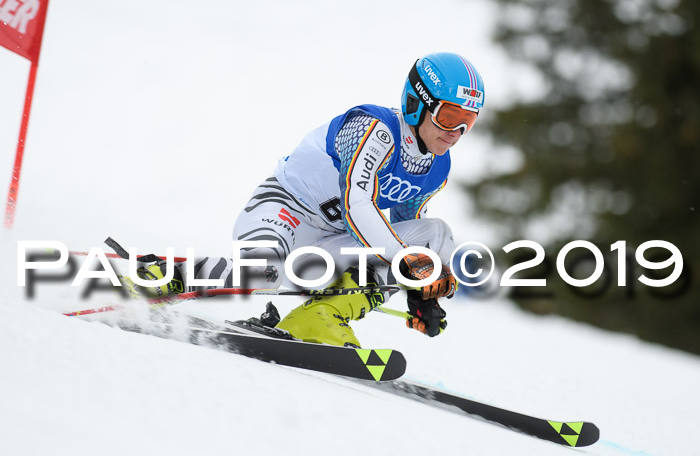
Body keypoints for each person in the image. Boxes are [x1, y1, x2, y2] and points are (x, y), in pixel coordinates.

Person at [142, 52, 485, 348]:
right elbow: (357, 204)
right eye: (449, 116)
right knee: (264, 273)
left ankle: (321, 316)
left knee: (436, 235)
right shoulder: (374, 128)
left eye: (467, 121)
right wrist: (403, 259)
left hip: (331, 244)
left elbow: (403, 231)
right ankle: (163, 276)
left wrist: (420, 291)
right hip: (286, 210)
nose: (455, 133)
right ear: (416, 103)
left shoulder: (437, 166)